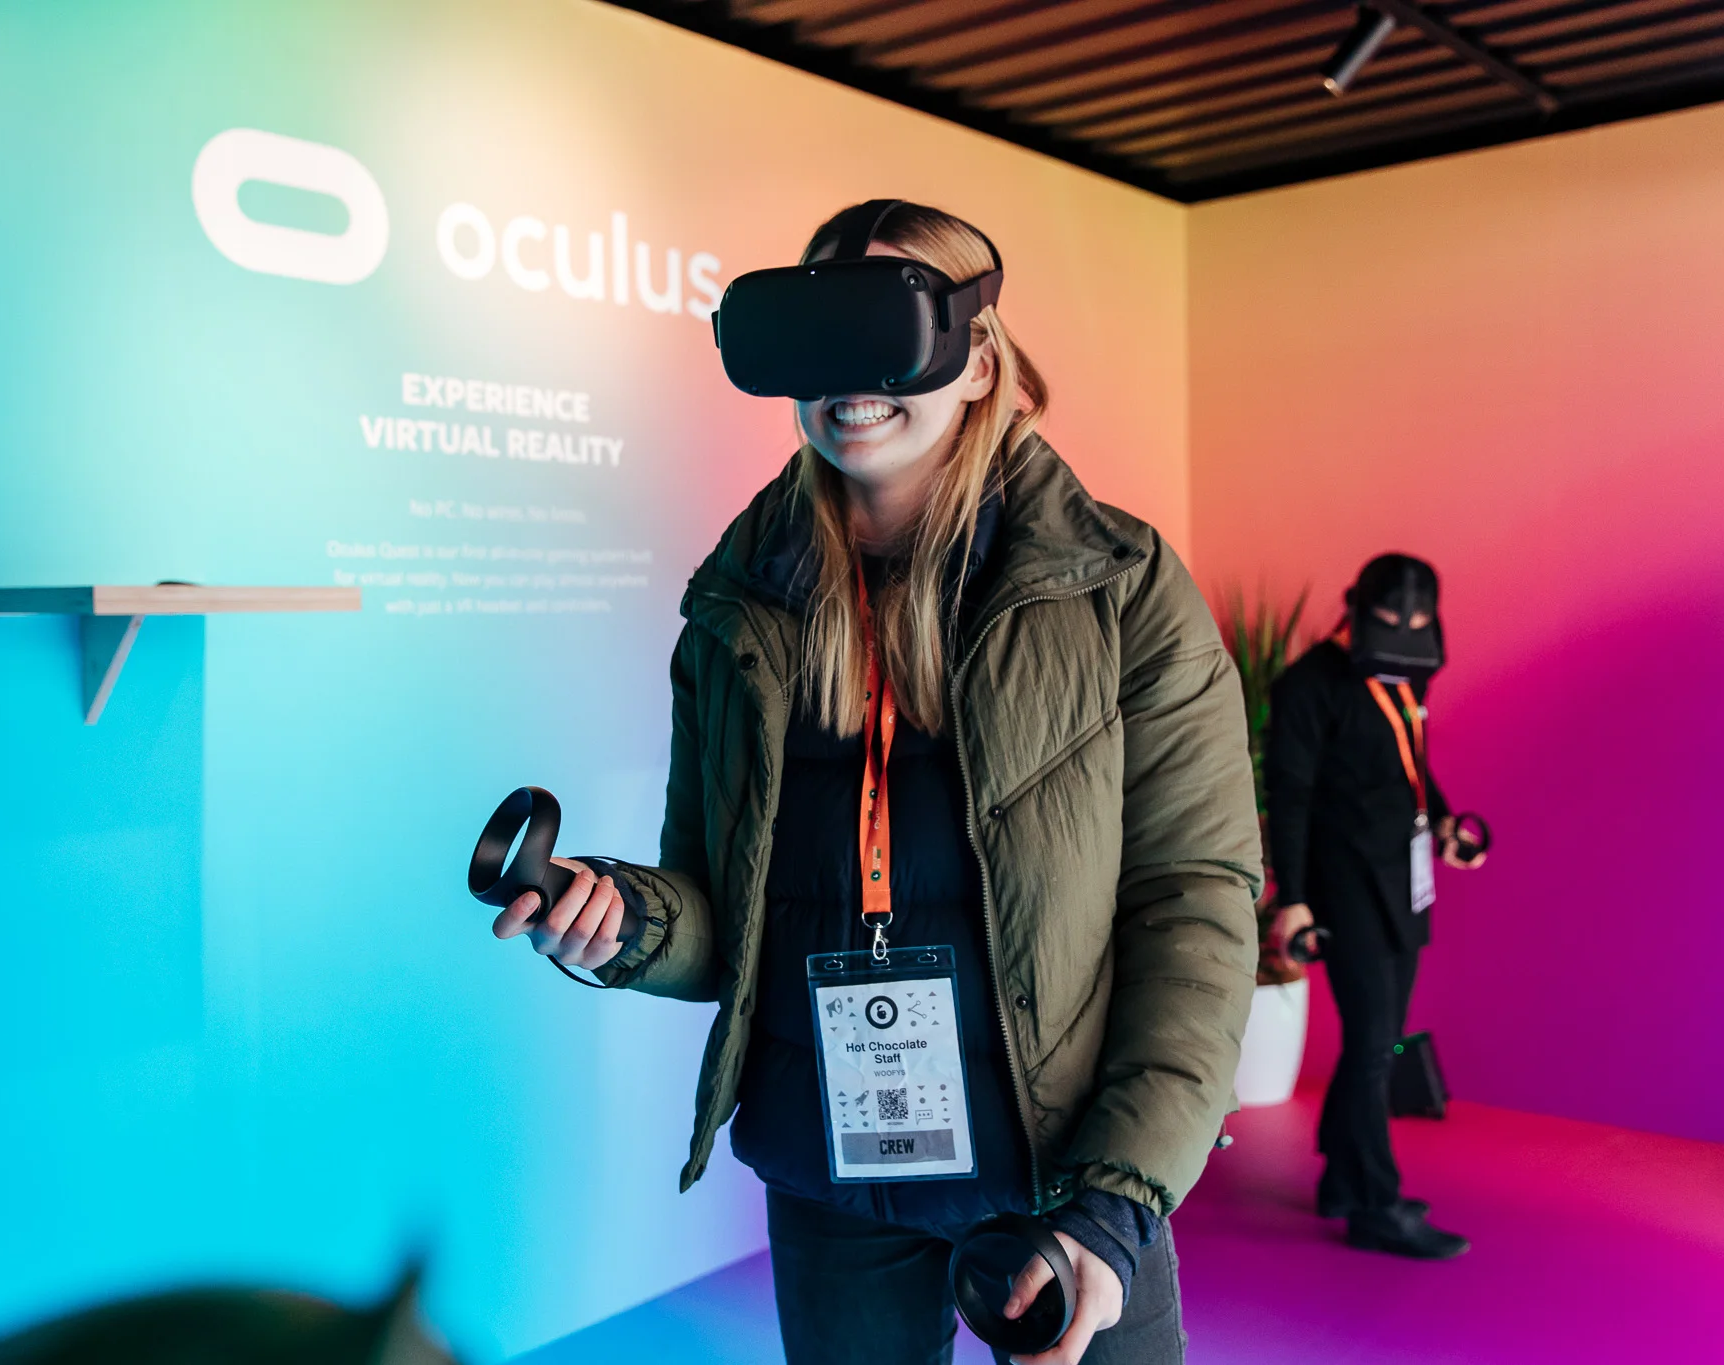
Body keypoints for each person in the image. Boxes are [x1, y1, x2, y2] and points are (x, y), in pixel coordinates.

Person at [490, 200, 1261, 1365]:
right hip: (831, 1170)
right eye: (817, 335)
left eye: (882, 331)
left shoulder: (1119, 588)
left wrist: (1114, 1206)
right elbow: (719, 913)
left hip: (1065, 1172)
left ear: (978, 359)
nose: (847, 380)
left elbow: (1192, 903)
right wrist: (622, 920)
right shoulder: (736, 611)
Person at [1262, 553, 1487, 1260]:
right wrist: (1294, 901)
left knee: (1381, 1038)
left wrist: (1443, 824)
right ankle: (1376, 1205)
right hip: (1344, 885)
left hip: (1402, 878)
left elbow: (1409, 762)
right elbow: (1289, 797)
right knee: (1369, 1045)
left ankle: (1340, 1176)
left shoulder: (1403, 670)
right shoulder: (1307, 686)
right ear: (1355, 606)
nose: (1403, 637)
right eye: (1390, 622)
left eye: (1417, 625)